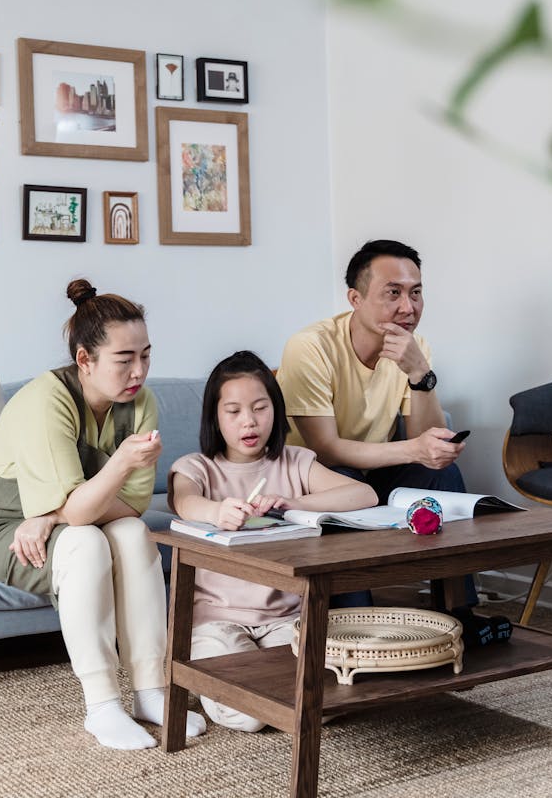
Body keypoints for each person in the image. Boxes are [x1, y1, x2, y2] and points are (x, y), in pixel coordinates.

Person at [0, 279, 206, 750]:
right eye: (124, 360)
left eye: (146, 355)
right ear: (85, 360)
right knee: (86, 543)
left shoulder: (141, 402)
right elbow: (88, 510)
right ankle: (102, 704)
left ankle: (151, 690)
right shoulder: (45, 400)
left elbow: (132, 505)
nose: (139, 371)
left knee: (131, 532)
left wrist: (54, 514)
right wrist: (114, 470)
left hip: (62, 519)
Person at [167, 351, 377, 731]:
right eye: (233, 411)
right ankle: (242, 685)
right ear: (215, 417)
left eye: (260, 408)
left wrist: (293, 503)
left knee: (330, 697)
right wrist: (216, 512)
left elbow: (364, 494)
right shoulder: (197, 467)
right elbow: (184, 501)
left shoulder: (294, 462)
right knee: (250, 714)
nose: (249, 421)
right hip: (217, 622)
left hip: (288, 621)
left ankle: (268, 691)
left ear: (275, 411)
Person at [276, 239, 471, 606]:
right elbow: (325, 448)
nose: (407, 307)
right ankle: (355, 622)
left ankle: (459, 611)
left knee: (443, 475)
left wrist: (419, 373)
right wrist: (414, 449)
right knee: (347, 483)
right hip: (315, 476)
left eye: (416, 293)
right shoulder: (311, 346)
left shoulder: (414, 347)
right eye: (392, 293)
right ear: (355, 298)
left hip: (374, 471)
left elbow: (424, 436)